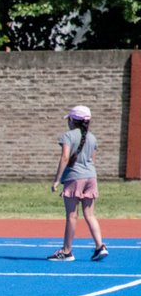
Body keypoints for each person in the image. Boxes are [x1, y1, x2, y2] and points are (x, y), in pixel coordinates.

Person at [49, 105, 107, 262]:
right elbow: (92, 161)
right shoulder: (93, 138)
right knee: (89, 214)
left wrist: (57, 180)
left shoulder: (68, 136)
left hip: (74, 178)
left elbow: (65, 158)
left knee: (72, 216)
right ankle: (100, 246)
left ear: (73, 120)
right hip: (91, 177)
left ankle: (67, 251)